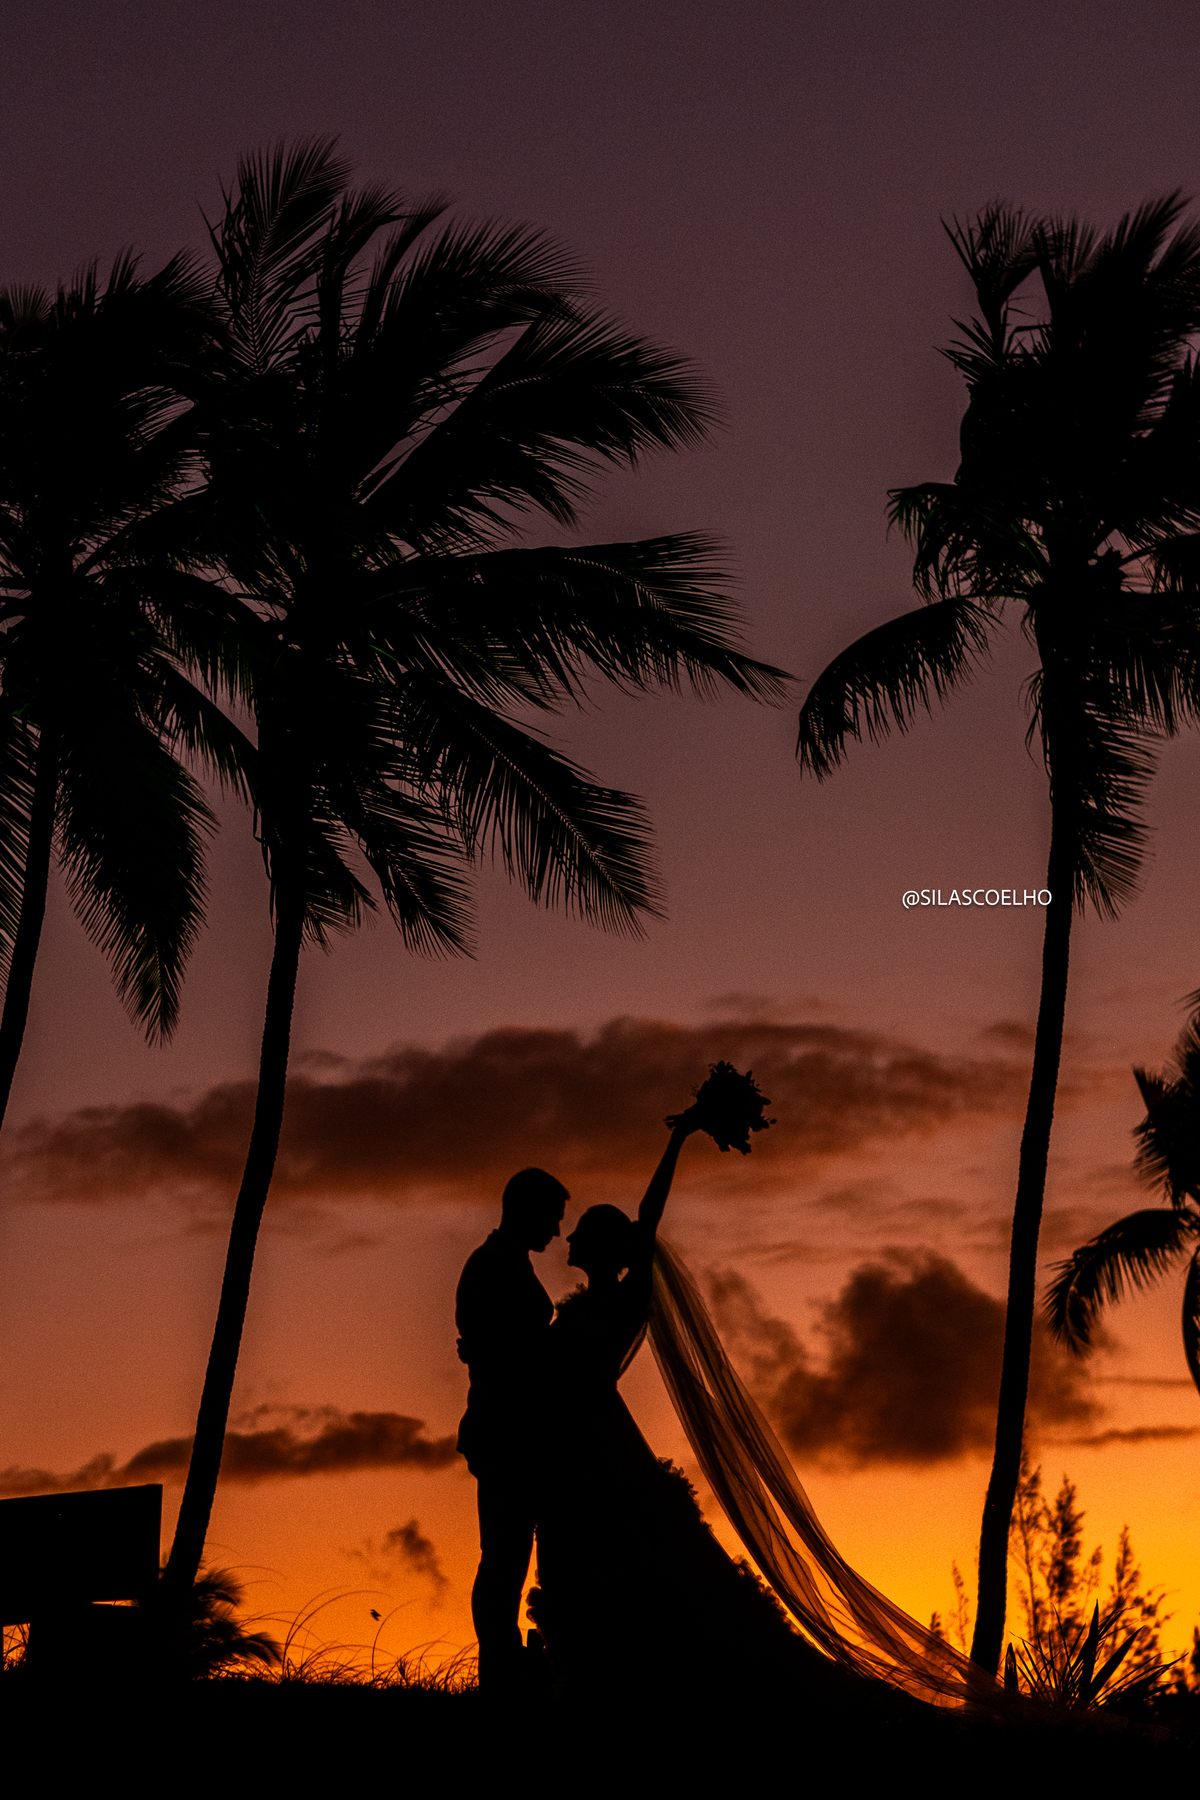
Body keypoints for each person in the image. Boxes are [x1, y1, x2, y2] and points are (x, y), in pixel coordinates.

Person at [527, 1066, 984, 1712]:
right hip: (577, 1444)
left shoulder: (626, 1301)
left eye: (581, 1232)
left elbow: (647, 1218)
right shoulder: (576, 1309)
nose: (568, 1237)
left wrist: (679, 1139)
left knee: (639, 1562)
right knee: (589, 1559)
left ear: (602, 1248)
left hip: (602, 1445)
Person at [455, 1165, 568, 1693]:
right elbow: (502, 1352)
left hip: (516, 1430)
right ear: (526, 1210)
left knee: (509, 1555)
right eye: (552, 1217)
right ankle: (498, 1669)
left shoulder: (507, 1262)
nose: (558, 1231)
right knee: (503, 1557)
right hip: (506, 1431)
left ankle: (510, 1666)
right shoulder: (493, 1265)